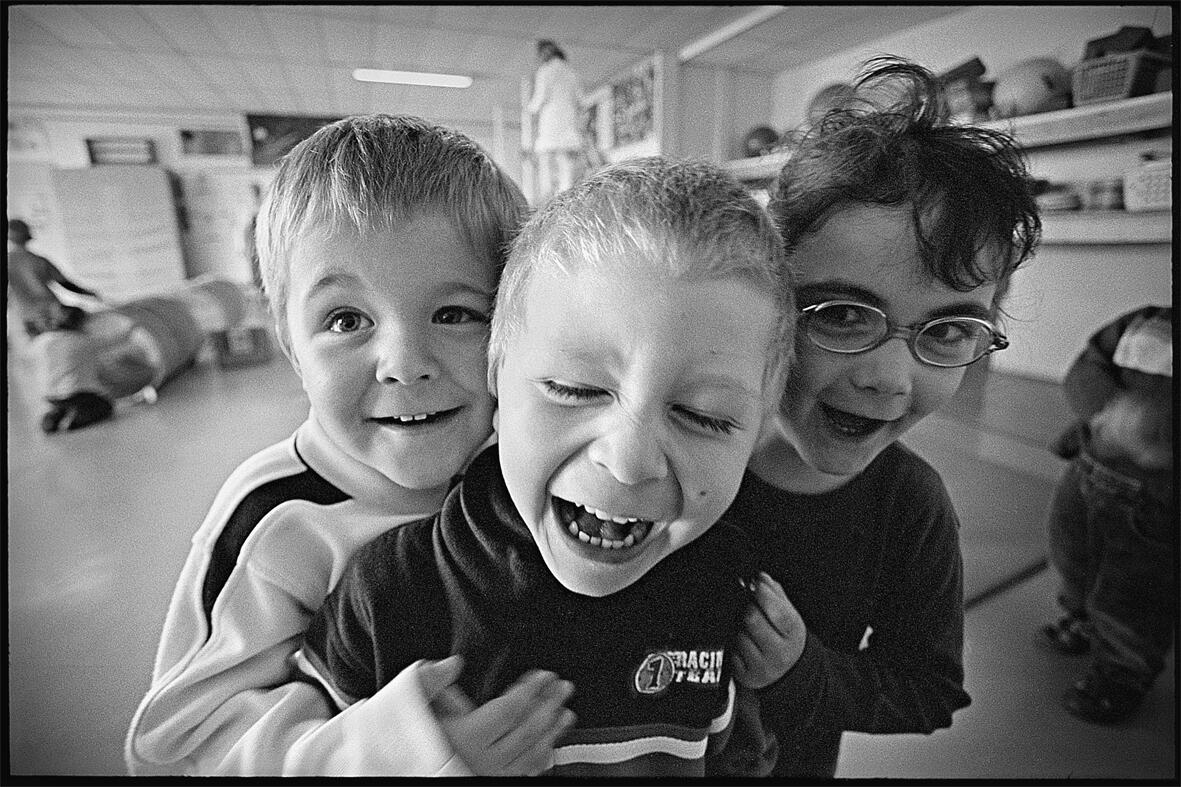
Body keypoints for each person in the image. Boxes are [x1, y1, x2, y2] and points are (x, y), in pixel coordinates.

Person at [295, 156, 796, 776]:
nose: (630, 462)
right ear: (496, 387)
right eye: (574, 389)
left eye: (706, 416)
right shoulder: (388, 597)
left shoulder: (722, 585)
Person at [125, 114, 575, 777]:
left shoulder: (533, 463)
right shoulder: (275, 519)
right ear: (290, 346)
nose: (404, 364)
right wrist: (411, 750)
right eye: (346, 320)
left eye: (454, 314)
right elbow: (180, 747)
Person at [712, 56, 1042, 777]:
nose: (889, 379)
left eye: (949, 330)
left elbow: (927, 689)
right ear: (767, 291)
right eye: (839, 314)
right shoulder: (677, 449)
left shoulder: (908, 507)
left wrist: (803, 671)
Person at [1040, 305, 1174, 725]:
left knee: (1133, 590)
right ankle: (1080, 616)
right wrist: (1102, 412)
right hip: (1087, 474)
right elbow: (1087, 367)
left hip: (1156, 502)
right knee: (1070, 553)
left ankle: (1122, 671)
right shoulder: (1148, 324)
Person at [526, 38, 584, 204]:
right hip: (569, 129)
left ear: (545, 53)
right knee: (566, 176)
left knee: (547, 177)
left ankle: (549, 207)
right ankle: (566, 206)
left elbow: (539, 99)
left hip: (551, 127)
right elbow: (581, 101)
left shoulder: (545, 71)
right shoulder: (571, 73)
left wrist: (529, 111)